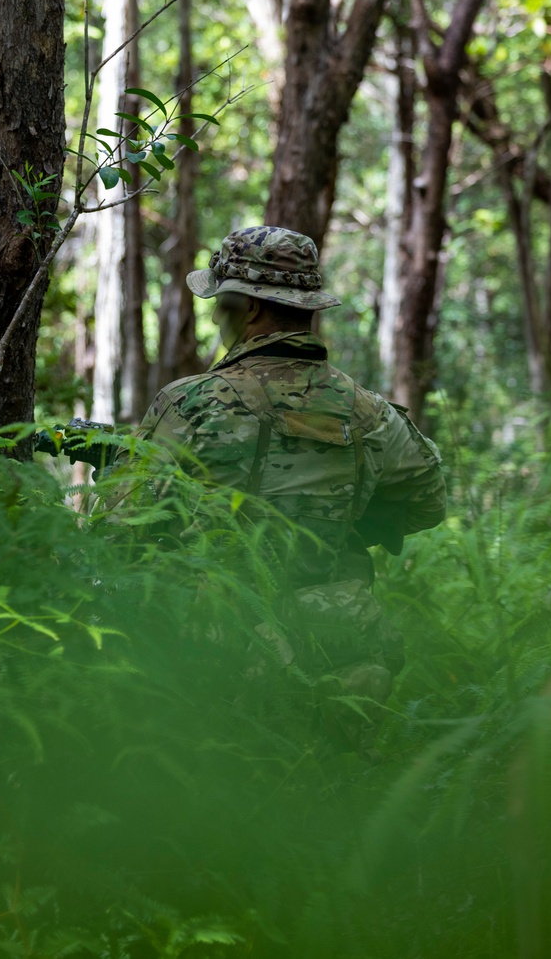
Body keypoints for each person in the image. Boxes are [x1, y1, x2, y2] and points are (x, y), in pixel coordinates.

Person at [136, 225, 446, 746]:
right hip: (336, 645)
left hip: (214, 658)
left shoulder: (191, 402)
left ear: (251, 310)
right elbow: (426, 503)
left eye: (221, 302)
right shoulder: (369, 410)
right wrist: (333, 525)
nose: (213, 316)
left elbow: (125, 530)